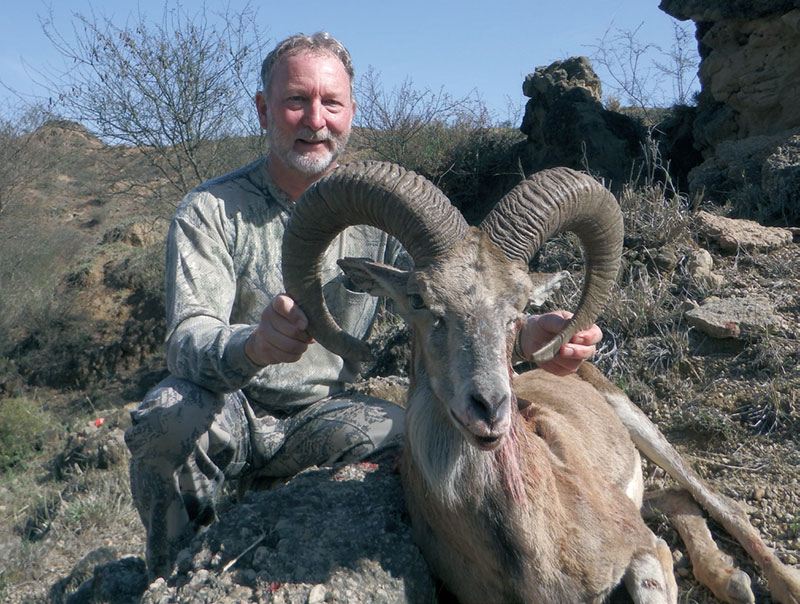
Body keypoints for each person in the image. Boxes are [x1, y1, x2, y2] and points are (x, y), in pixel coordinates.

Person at [125, 31, 603, 580]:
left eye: (331, 102)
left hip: (324, 413)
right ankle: (177, 577)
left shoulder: (390, 214)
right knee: (168, 415)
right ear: (263, 110)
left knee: (413, 441)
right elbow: (186, 340)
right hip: (231, 406)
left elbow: (456, 303)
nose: (315, 120)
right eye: (296, 100)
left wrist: (526, 334)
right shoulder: (210, 210)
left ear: (351, 112)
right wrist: (252, 345)